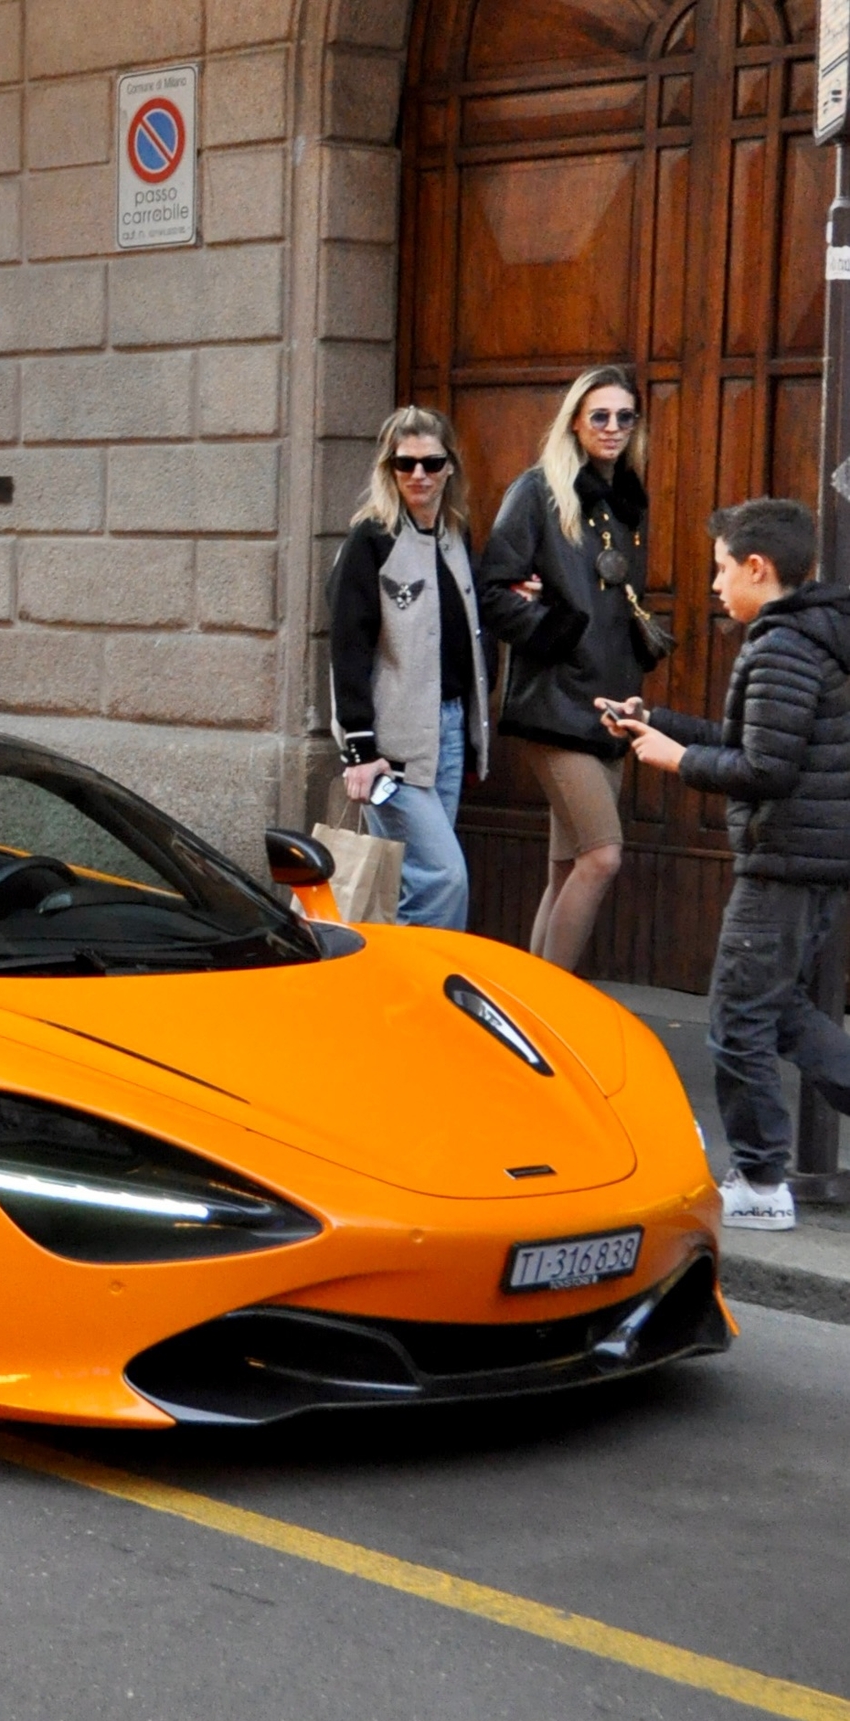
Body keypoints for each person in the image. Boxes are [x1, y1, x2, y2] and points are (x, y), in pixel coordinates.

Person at [601, 498, 850, 1234]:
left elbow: (765, 766)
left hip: (783, 860)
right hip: (804, 856)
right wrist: (661, 724)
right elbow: (752, 739)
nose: (712, 586)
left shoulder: (781, 645)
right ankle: (764, 1172)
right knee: (781, 1017)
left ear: (756, 567)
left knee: (737, 1021)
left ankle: (762, 1181)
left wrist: (677, 761)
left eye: (719, 570)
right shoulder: (805, 635)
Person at [479, 365, 657, 972]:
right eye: (600, 416)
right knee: (603, 856)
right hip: (554, 699)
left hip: (611, 706)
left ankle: (532, 1004)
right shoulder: (538, 490)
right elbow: (493, 590)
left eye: (624, 417)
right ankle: (557, 1007)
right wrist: (557, 630)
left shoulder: (627, 498)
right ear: (576, 421)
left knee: (566, 867)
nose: (612, 428)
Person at [326, 406, 489, 932]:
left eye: (431, 462)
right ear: (388, 469)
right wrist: (360, 749)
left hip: (447, 733)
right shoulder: (370, 542)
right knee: (443, 878)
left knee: (413, 879)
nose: (418, 475)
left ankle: (389, 1000)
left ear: (449, 468)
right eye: (405, 464)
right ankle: (424, 991)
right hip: (389, 752)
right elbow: (347, 649)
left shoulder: (454, 538)